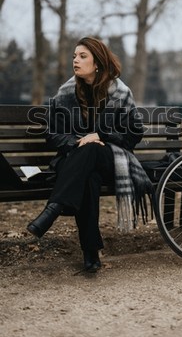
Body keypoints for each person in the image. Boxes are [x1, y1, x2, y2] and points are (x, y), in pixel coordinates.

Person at [27, 36, 154, 272]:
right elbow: (52, 134)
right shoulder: (64, 94)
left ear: (97, 63)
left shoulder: (120, 93)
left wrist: (101, 136)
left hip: (112, 159)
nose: (75, 60)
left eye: (82, 56)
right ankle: (91, 252)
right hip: (76, 162)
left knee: (93, 149)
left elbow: (133, 135)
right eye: (75, 56)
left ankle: (53, 208)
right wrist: (77, 143)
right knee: (89, 177)